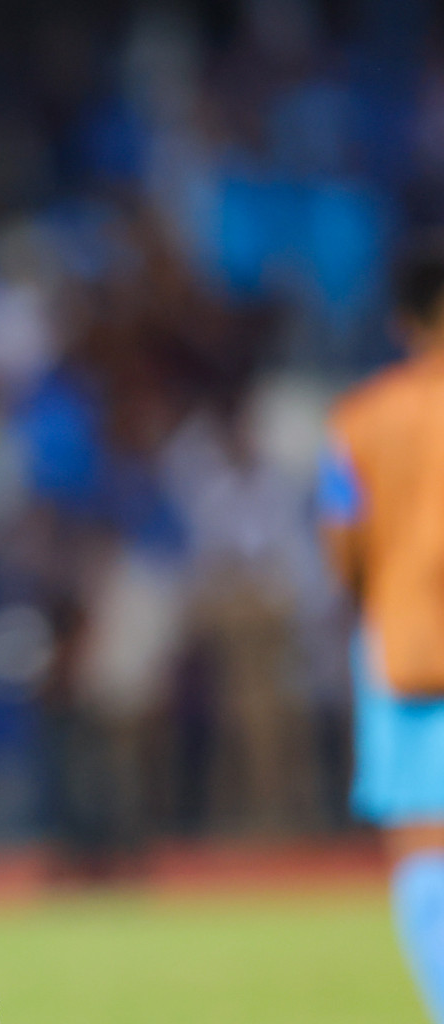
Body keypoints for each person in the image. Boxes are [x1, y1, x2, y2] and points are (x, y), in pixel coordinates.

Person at [321, 238, 444, 1023]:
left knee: (423, 850)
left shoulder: (360, 420)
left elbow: (343, 541)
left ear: (403, 320)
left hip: (406, 646)